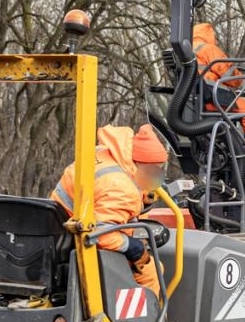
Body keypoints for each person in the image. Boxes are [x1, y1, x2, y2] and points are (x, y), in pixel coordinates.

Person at [51, 124, 168, 292]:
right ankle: (143, 316)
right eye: (153, 171)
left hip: (60, 232)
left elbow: (105, 194)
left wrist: (142, 198)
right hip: (83, 241)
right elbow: (101, 232)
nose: (155, 177)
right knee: (152, 270)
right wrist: (133, 246)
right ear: (141, 165)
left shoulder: (104, 154)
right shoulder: (123, 189)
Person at [191, 22, 245, 157]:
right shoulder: (208, 49)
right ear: (209, 35)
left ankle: (240, 147)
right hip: (214, 99)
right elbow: (231, 76)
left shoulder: (186, 51)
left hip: (197, 100)